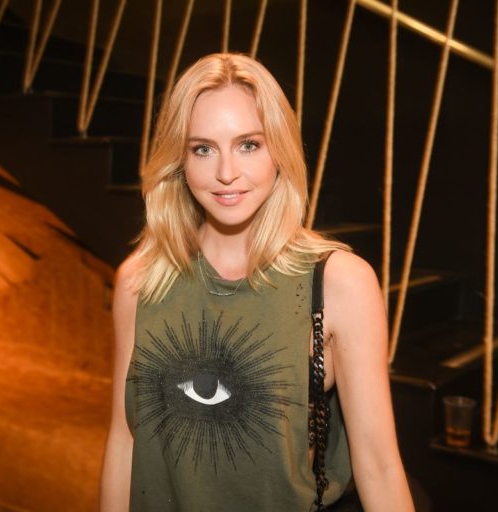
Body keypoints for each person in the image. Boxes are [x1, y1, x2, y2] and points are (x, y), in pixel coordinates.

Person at [100, 53, 414, 512]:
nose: (226, 172)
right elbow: (125, 439)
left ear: (279, 151)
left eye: (248, 144)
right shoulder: (140, 282)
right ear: (179, 160)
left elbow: (380, 468)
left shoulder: (340, 283)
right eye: (202, 148)